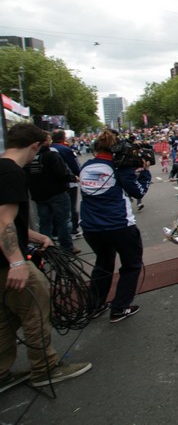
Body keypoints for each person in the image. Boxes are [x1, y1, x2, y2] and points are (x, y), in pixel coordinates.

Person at [1, 123, 92, 391]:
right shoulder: (12, 172)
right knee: (36, 309)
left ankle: (2, 371)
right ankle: (45, 368)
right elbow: (3, 221)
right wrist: (17, 262)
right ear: (34, 146)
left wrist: (35, 236)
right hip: (8, 262)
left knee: (4, 318)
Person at [79, 129, 151, 323]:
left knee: (103, 263)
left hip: (91, 227)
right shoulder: (119, 168)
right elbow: (137, 192)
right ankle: (120, 307)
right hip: (119, 224)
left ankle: (94, 305)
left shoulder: (86, 166)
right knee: (131, 264)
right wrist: (145, 173)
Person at [25, 133, 79, 254]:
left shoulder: (29, 157)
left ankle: (47, 249)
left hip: (39, 195)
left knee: (45, 222)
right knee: (63, 221)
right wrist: (73, 178)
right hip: (57, 193)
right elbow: (62, 173)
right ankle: (67, 247)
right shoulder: (51, 155)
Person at [50, 129, 82, 240]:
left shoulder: (47, 149)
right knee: (70, 207)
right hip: (69, 182)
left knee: (54, 209)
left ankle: (55, 232)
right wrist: (78, 176)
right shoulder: (65, 149)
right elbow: (75, 166)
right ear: (63, 137)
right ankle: (73, 230)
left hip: (52, 184)